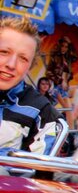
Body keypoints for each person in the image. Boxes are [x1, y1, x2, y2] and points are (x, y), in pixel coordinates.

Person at [0, 16, 61, 154]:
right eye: (4, 52)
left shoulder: (41, 110)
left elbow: (38, 168)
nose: (11, 64)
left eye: (23, 58)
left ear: (30, 66)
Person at [45, 35, 78, 109]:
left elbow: (75, 56)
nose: (64, 48)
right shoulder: (55, 57)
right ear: (59, 46)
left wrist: (70, 44)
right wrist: (60, 81)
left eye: (66, 47)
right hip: (56, 87)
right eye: (62, 46)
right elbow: (48, 72)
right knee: (64, 107)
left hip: (64, 87)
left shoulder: (68, 58)